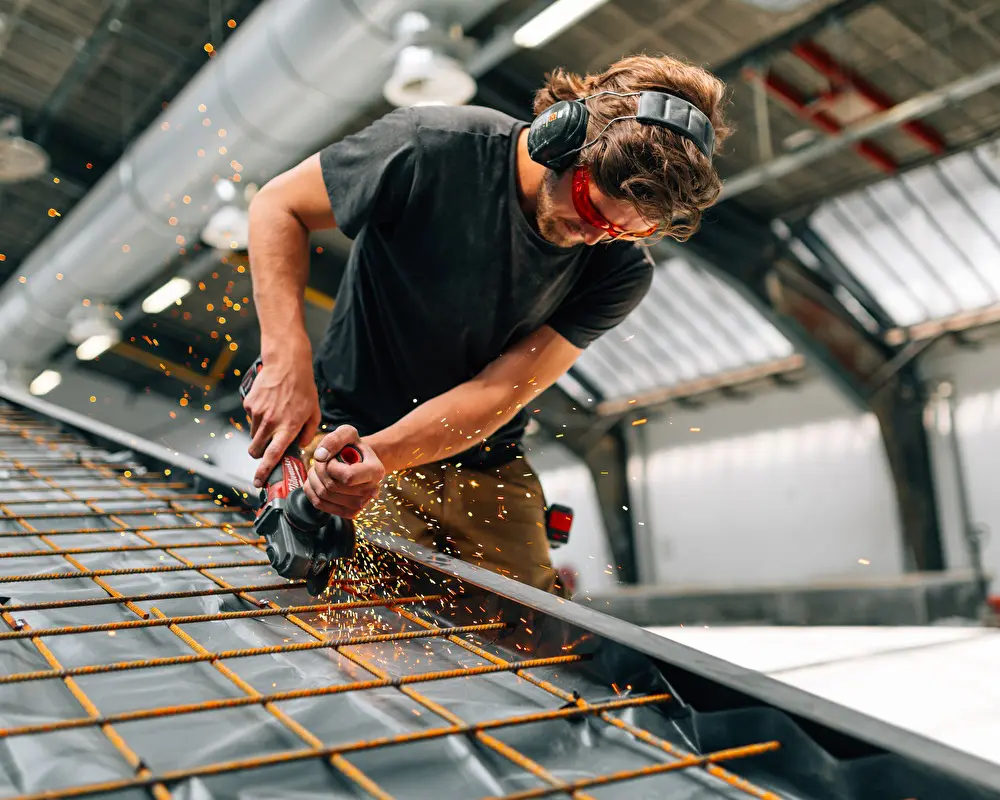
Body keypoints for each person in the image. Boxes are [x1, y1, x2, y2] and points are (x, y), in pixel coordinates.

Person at [242, 54, 730, 595]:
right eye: (592, 212)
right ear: (559, 138)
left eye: (622, 232)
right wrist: (288, 359)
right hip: (350, 436)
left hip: (485, 459)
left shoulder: (619, 271)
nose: (596, 238)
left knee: (539, 632)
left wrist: (385, 456)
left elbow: (498, 390)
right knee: (361, 624)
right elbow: (278, 205)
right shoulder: (431, 146)